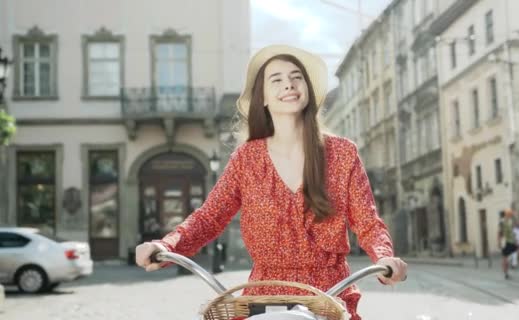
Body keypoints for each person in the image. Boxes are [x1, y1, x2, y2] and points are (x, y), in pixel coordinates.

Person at [135, 45, 407, 320]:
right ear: (262, 96)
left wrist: (384, 258)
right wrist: (167, 246)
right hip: (263, 298)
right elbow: (209, 218)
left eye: (296, 76)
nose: (288, 84)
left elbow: (368, 222)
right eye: (276, 79)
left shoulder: (342, 154)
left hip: (329, 295)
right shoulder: (247, 158)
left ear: (308, 89)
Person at [498, 209, 519, 279]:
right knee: (506, 257)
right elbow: (500, 233)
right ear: (507, 215)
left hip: (511, 241)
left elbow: (516, 228)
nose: (511, 215)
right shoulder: (502, 222)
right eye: (510, 214)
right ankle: (507, 273)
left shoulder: (509, 221)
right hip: (506, 242)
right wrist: (499, 242)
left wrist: (516, 241)